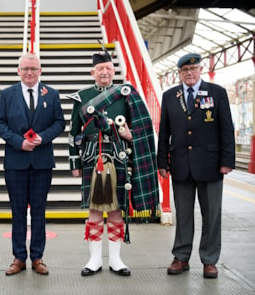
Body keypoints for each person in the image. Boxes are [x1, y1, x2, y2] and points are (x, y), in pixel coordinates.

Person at [68, 50, 159, 277]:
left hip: (118, 154)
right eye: (100, 69)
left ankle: (117, 260)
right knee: (94, 210)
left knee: (117, 209)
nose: (105, 72)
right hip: (91, 156)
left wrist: (130, 136)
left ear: (114, 70)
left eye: (108, 68)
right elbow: (72, 133)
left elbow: (139, 127)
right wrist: (74, 162)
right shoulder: (82, 96)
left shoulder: (126, 95)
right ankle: (94, 259)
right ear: (93, 72)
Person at [157, 53, 235, 279]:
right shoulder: (170, 95)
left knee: (211, 215)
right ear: (179, 73)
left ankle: (209, 260)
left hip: (211, 165)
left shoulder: (217, 92)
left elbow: (226, 128)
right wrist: (162, 161)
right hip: (181, 164)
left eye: (193, 69)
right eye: (184, 71)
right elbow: (164, 131)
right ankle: (181, 257)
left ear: (200, 70)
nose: (189, 74)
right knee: (183, 214)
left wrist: (226, 161)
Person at [0, 53, 65, 276]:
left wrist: (42, 137)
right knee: (17, 212)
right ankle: (18, 257)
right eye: (25, 68)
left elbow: (59, 122)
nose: (29, 73)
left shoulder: (51, 94)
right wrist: (17, 142)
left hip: (42, 162)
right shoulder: (7, 95)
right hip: (16, 162)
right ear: (18, 71)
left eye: (33, 68)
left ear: (40, 70)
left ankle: (37, 257)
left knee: (39, 212)